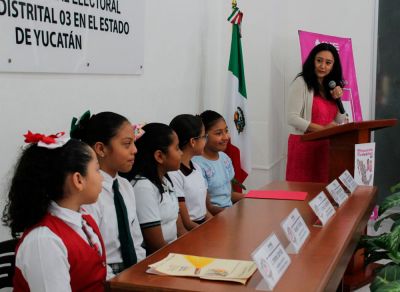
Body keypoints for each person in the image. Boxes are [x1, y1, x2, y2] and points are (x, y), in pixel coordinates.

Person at [2, 131, 106, 291]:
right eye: (97, 170)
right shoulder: (44, 241)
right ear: (78, 180)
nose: (102, 178)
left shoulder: (83, 217)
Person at [70, 111, 145, 278]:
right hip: (105, 274)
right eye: (127, 144)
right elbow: (93, 254)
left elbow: (136, 242)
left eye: (134, 143)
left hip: (133, 271)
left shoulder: (125, 186)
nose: (135, 150)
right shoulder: (87, 195)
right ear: (101, 148)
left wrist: (140, 273)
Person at [286, 43, 347, 183]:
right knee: (302, 194)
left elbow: (338, 120)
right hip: (304, 147)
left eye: (328, 62)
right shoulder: (301, 82)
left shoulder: (331, 86)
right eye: (319, 60)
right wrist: (324, 131)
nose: (322, 66)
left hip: (326, 149)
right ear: (312, 60)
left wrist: (338, 99)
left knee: (324, 195)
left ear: (333, 66)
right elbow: (292, 118)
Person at [122, 123, 185, 255]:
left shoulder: (166, 179)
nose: (181, 153)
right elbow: (156, 245)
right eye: (177, 148)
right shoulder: (143, 187)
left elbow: (180, 229)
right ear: (159, 156)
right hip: (159, 259)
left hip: (174, 252)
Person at [193, 110, 244, 215]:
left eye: (226, 131)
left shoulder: (224, 158)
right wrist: (231, 215)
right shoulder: (197, 165)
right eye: (219, 133)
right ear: (204, 135)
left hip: (228, 214)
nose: (226, 137)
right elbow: (207, 208)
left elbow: (228, 195)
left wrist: (253, 197)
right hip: (214, 218)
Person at [168, 114, 212, 230]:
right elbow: (186, 223)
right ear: (193, 141)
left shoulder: (197, 167)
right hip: (191, 230)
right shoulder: (174, 174)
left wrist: (216, 226)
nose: (206, 141)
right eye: (204, 137)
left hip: (201, 226)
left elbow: (204, 211)